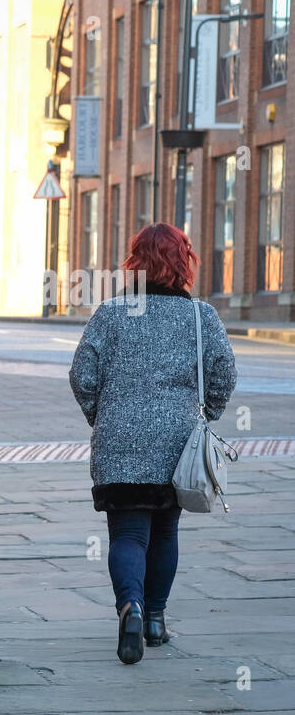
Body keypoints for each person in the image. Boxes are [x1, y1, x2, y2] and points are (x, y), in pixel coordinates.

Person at [69, 223, 236, 665]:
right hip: (177, 443)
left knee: (127, 533)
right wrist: (206, 415)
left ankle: (131, 607)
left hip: (119, 439)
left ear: (135, 262)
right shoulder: (202, 317)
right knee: (165, 531)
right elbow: (224, 376)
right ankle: (156, 620)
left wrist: (100, 415)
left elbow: (82, 376)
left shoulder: (110, 313)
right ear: (184, 262)